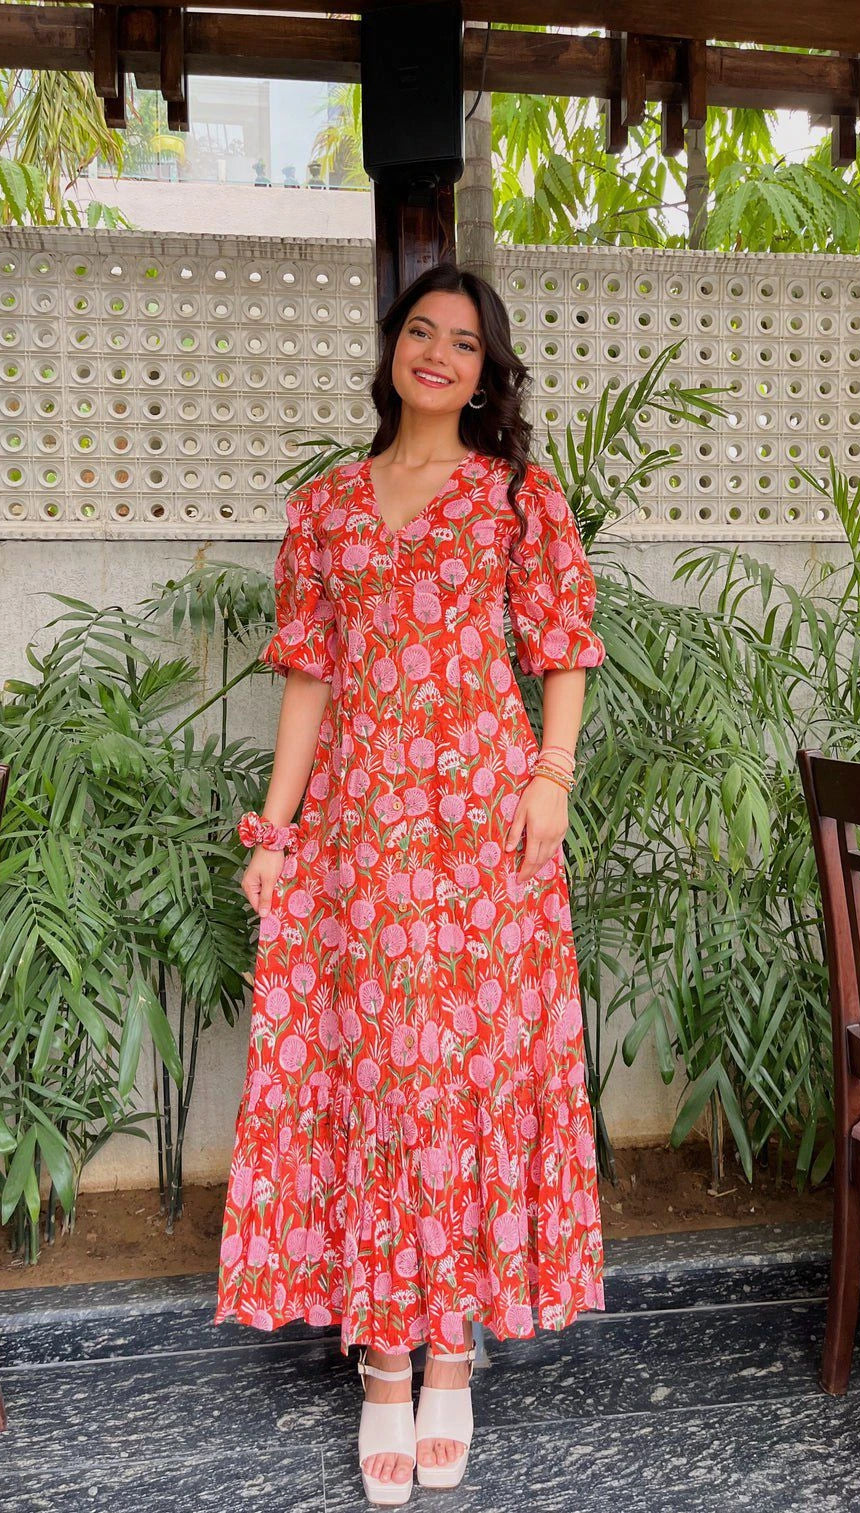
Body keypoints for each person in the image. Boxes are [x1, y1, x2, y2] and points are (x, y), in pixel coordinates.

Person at [214, 260, 608, 1506]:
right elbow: (309, 684)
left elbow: (562, 648)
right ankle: (387, 1361)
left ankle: (453, 1351)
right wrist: (273, 835)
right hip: (363, 834)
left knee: (469, 1074)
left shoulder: (514, 498)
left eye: (464, 341)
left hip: (486, 828)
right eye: (421, 331)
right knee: (382, 1074)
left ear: (487, 371)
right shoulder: (328, 505)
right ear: (393, 349)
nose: (439, 353)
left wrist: (551, 777)